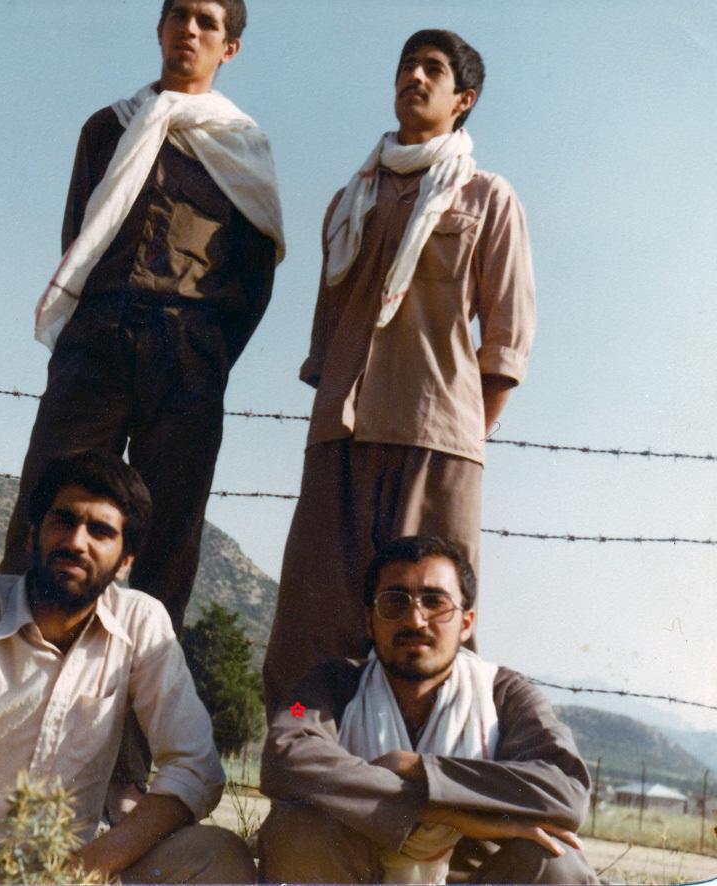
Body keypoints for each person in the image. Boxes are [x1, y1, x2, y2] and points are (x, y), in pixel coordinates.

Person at [263, 29, 536, 707]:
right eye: (407, 65)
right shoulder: (348, 204)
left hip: (437, 443)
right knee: (312, 628)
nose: (414, 77)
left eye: (433, 69)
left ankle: (429, 769)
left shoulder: (488, 198)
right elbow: (327, 337)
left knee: (428, 630)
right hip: (340, 440)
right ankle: (300, 759)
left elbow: (507, 341)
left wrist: (461, 432)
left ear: (463, 99)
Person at [0, 0, 285, 637]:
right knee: (49, 502)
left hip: (188, 352)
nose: (190, 30)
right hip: (96, 337)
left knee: (170, 527)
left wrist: (205, 352)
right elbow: (80, 235)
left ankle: (143, 683)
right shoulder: (108, 127)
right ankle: (10, 655)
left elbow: (253, 278)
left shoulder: (242, 145)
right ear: (160, 28)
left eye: (207, 22)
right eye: (179, 15)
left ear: (229, 48)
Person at [0, 452, 255, 884]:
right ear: (32, 537)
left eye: (100, 531)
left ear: (125, 562)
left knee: (218, 856)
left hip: (76, 871)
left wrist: (80, 870)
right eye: (63, 521)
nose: (77, 542)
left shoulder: (141, 623)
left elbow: (195, 768)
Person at [258, 536, 599, 884]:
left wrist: (417, 767)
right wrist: (440, 810)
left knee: (558, 860)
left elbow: (565, 789)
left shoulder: (505, 694)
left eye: (435, 602)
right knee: (298, 828)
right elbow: (287, 751)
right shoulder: (325, 686)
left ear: (466, 623)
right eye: (395, 602)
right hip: (355, 874)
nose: (415, 620)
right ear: (370, 620)